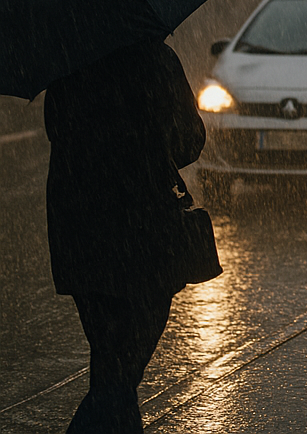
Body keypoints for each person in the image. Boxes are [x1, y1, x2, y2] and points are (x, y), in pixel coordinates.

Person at [45, 39, 207, 433]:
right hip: (144, 232)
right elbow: (190, 141)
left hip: (79, 233)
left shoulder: (68, 61)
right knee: (120, 374)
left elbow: (57, 132)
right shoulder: (156, 58)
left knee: (109, 360)